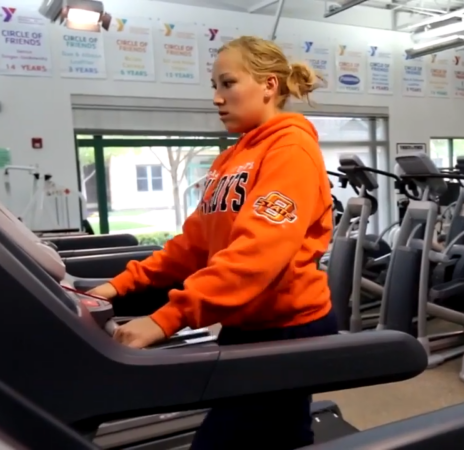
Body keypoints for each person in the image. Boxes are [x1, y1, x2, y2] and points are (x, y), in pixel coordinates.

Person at [87, 35, 337, 449]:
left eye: (228, 83)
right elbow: (193, 244)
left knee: (230, 440)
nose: (218, 98)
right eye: (214, 87)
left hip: (289, 326)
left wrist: (167, 317)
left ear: (269, 85)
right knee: (276, 434)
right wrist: (119, 285)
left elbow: (258, 253)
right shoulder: (231, 159)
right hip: (245, 320)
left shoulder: (291, 149)